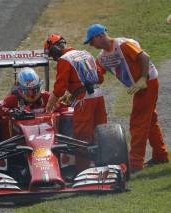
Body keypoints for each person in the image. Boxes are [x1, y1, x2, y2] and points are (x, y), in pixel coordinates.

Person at [84, 23, 169, 172]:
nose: (91, 44)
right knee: (149, 119)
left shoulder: (123, 44)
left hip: (148, 82)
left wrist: (143, 79)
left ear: (100, 36)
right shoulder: (102, 57)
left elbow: (144, 57)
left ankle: (135, 163)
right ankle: (160, 155)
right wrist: (77, 88)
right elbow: (97, 75)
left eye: (91, 41)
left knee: (138, 122)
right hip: (139, 86)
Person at [44, 34, 107, 172]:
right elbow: (100, 78)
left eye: (52, 54)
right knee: (102, 133)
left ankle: (83, 171)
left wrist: (49, 105)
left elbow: (59, 88)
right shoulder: (86, 54)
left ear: (54, 49)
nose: (54, 58)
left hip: (84, 100)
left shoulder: (64, 60)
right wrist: (73, 93)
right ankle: (104, 167)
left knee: (81, 137)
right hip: (99, 96)